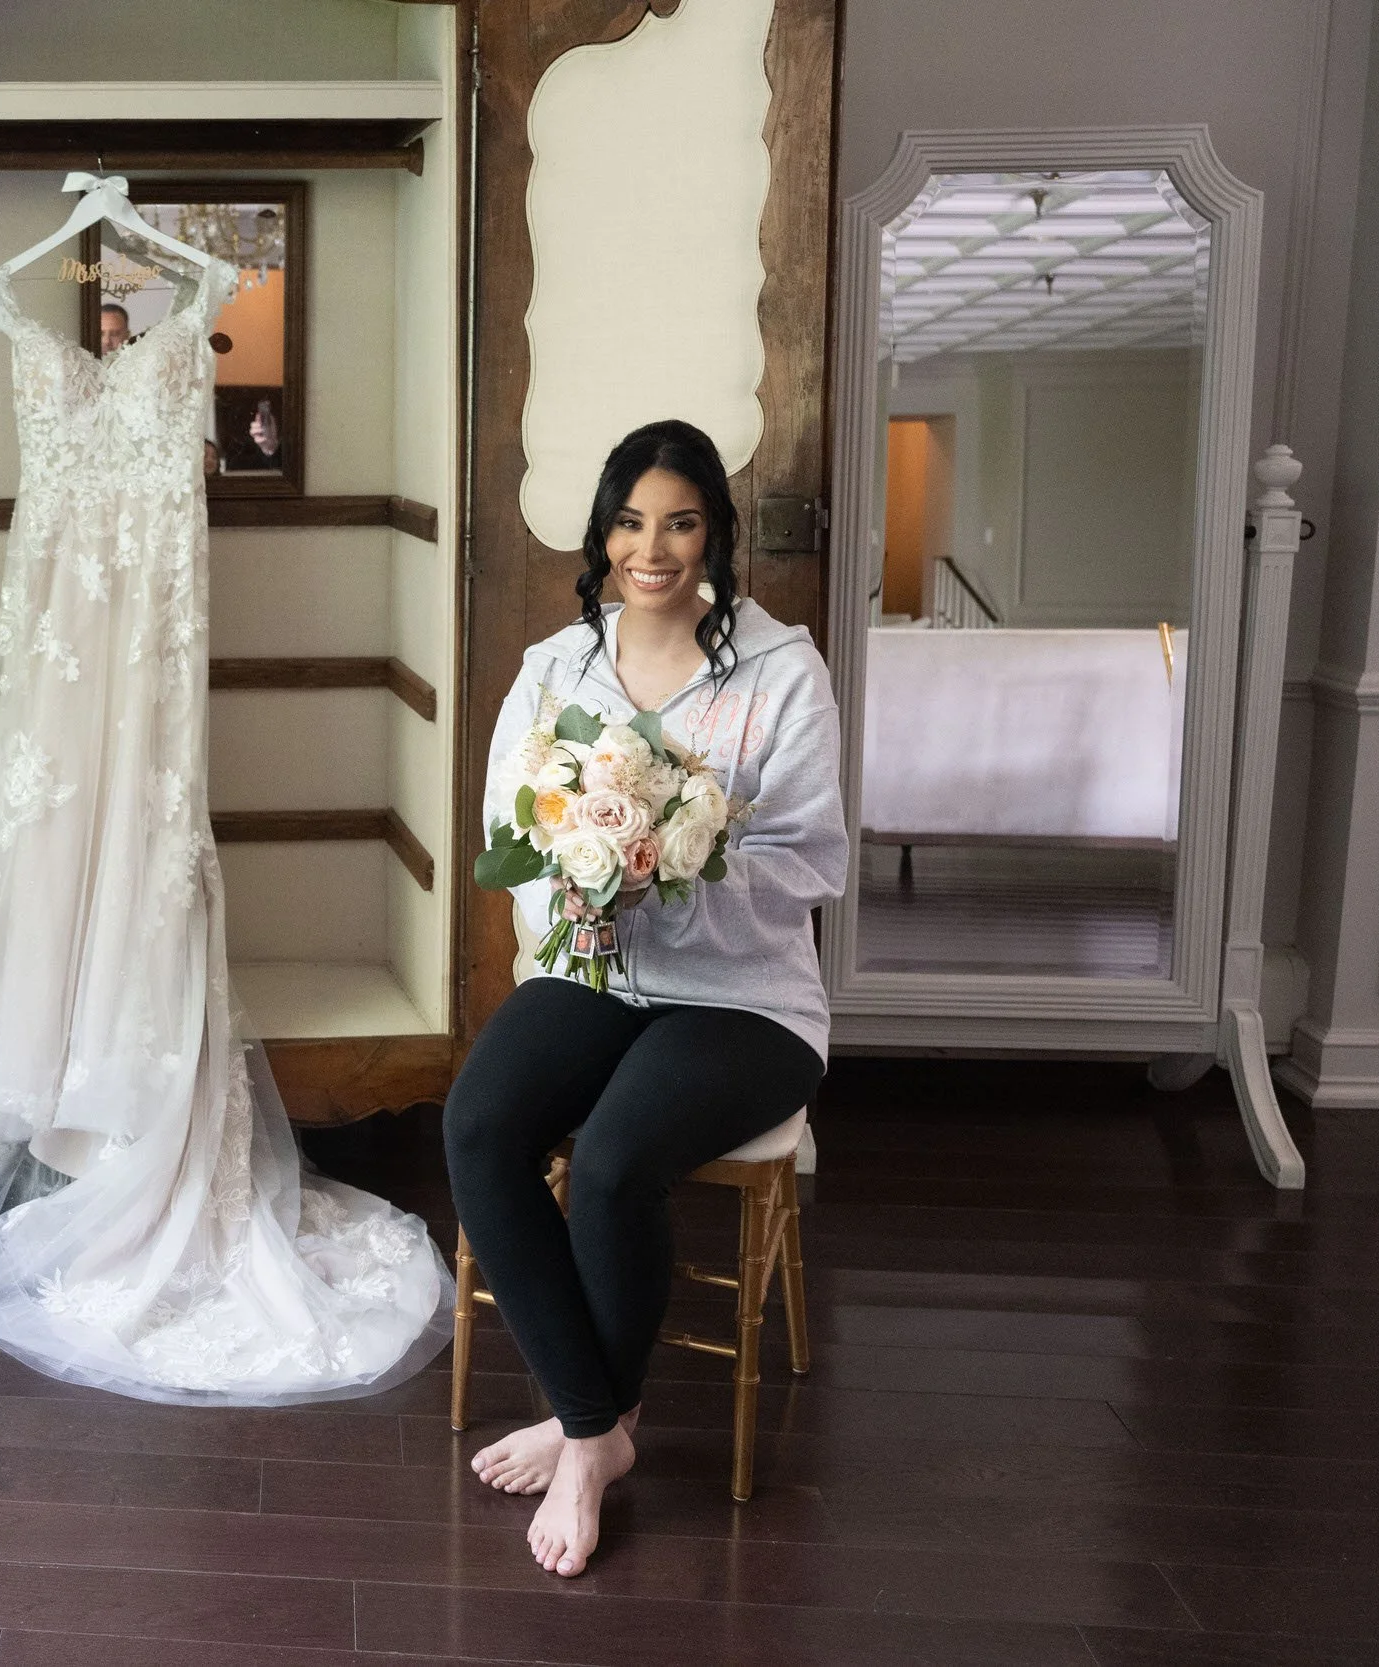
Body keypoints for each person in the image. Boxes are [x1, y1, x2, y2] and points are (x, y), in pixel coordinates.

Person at [444, 418, 847, 1577]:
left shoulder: (780, 672)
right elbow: (504, 829)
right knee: (478, 1125)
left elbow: (813, 860)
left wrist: (679, 856)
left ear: (712, 528)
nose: (652, 547)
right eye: (630, 521)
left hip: (745, 996)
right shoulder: (553, 666)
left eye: (678, 520)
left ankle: (589, 1439)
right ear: (603, 533)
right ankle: (593, 1420)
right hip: (594, 965)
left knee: (616, 1158)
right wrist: (581, 881)